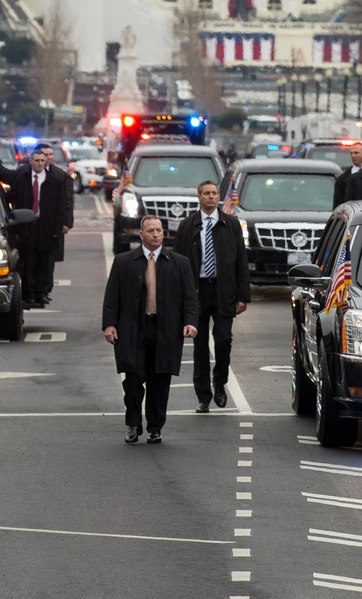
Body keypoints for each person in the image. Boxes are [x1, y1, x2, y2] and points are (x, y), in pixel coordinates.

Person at [101, 216, 198, 444]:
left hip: (166, 330)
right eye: (150, 231)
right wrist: (109, 324)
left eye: (159, 230)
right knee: (133, 378)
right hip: (133, 329)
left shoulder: (179, 263)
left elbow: (190, 298)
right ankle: (133, 424)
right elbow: (112, 296)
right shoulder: (124, 261)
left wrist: (191, 322)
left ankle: (155, 427)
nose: (156, 234)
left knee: (160, 380)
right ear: (141, 235)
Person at [174, 179, 250, 412]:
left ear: (219, 197)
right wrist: (179, 298)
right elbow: (177, 264)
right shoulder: (187, 226)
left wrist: (242, 296)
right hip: (196, 293)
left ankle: (220, 382)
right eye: (206, 193)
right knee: (199, 347)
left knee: (223, 339)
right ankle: (203, 396)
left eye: (214, 193)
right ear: (199, 197)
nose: (210, 197)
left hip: (223, 290)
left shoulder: (231, 224)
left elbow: (241, 262)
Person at [9, 141, 73, 307]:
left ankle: (42, 293)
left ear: (46, 162)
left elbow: (62, 204)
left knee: (45, 261)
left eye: (42, 161)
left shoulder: (55, 180)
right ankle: (29, 293)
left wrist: (59, 227)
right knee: (29, 260)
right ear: (30, 161)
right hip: (27, 224)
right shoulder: (23, 176)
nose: (39, 163)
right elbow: (11, 192)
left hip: (47, 226)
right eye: (36, 160)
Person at [333, 142, 362, 208]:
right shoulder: (343, 179)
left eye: (356, 153)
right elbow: (338, 203)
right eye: (351, 153)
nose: (353, 156)